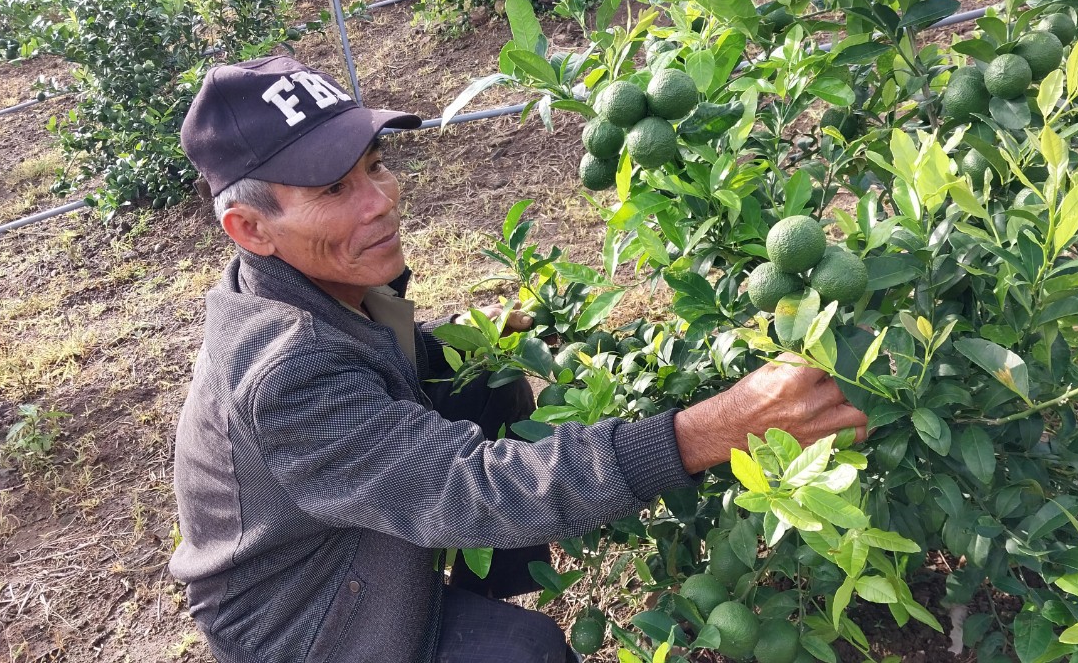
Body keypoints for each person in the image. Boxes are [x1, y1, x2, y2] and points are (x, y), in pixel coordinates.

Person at [169, 55, 869, 663]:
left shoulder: (321, 279)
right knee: (522, 652)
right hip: (302, 620)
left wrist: (490, 337)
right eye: (334, 190)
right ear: (250, 229)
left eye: (375, 166)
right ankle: (465, 620)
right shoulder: (286, 374)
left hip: (335, 537)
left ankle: (483, 585)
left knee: (489, 382)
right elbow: (471, 484)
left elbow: (383, 349)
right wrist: (706, 432)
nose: (382, 200)